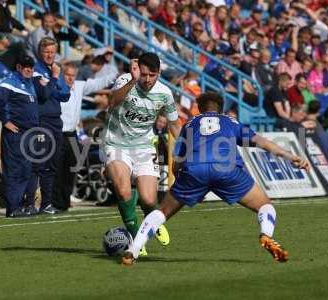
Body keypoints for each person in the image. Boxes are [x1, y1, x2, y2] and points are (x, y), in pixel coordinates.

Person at [122, 92, 310, 265]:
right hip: (226, 169)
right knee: (264, 205)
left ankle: (134, 249)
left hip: (194, 170)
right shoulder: (231, 122)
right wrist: (291, 156)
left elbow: (176, 162)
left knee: (162, 211)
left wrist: (185, 180)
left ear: (200, 108)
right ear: (221, 108)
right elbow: (263, 143)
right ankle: (266, 234)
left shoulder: (189, 124)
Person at [104, 52, 181, 253]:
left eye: (152, 75)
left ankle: (154, 219)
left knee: (148, 199)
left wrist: (183, 150)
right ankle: (135, 235)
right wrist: (133, 80)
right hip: (116, 143)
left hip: (144, 147)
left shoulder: (165, 93)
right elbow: (112, 103)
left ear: (159, 73)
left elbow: (173, 124)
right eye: (144, 74)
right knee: (123, 190)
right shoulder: (126, 80)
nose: (147, 79)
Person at [51, 61, 116, 211]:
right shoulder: (55, 88)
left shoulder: (79, 86)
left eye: (73, 75)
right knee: (58, 170)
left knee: (72, 168)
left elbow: (98, 83)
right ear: (62, 74)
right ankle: (55, 202)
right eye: (67, 75)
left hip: (72, 134)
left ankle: (65, 202)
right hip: (57, 134)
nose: (70, 78)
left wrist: (116, 75)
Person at [0, 55, 45, 217]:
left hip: (28, 134)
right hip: (15, 134)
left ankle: (18, 205)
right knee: (15, 170)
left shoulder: (30, 84)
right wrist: (5, 121)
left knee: (25, 170)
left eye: (31, 67)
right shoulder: (10, 82)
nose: (29, 69)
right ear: (18, 67)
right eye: (25, 66)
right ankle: (13, 207)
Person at [24, 37, 70, 215]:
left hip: (56, 122)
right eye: (46, 52)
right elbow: (43, 94)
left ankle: (46, 204)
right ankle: (29, 204)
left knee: (51, 165)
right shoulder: (35, 70)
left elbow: (65, 95)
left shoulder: (55, 69)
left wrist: (53, 84)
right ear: (39, 52)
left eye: (52, 52)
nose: (50, 55)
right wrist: (55, 80)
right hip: (41, 122)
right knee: (38, 164)